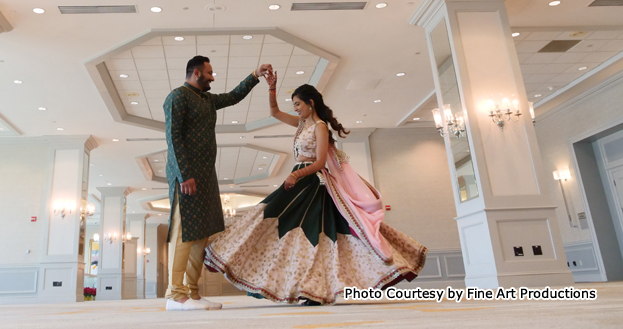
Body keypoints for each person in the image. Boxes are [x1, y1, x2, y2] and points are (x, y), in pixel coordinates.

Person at [205, 74, 427, 305]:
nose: (296, 109)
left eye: (298, 104)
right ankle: (294, 282)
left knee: (315, 236)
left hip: (313, 182)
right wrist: (272, 89)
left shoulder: (320, 127)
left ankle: (315, 290)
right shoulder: (302, 124)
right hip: (299, 181)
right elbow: (275, 113)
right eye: (294, 105)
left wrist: (296, 174)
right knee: (268, 217)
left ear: (310, 104)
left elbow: (320, 162)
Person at [164, 56, 273, 311]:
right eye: (209, 73)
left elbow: (234, 96)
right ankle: (175, 295)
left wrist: (255, 75)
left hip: (206, 176)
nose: (213, 77)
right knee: (183, 235)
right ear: (196, 73)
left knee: (201, 237)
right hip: (187, 177)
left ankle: (192, 293)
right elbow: (173, 137)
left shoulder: (207, 100)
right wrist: (184, 173)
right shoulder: (177, 96)